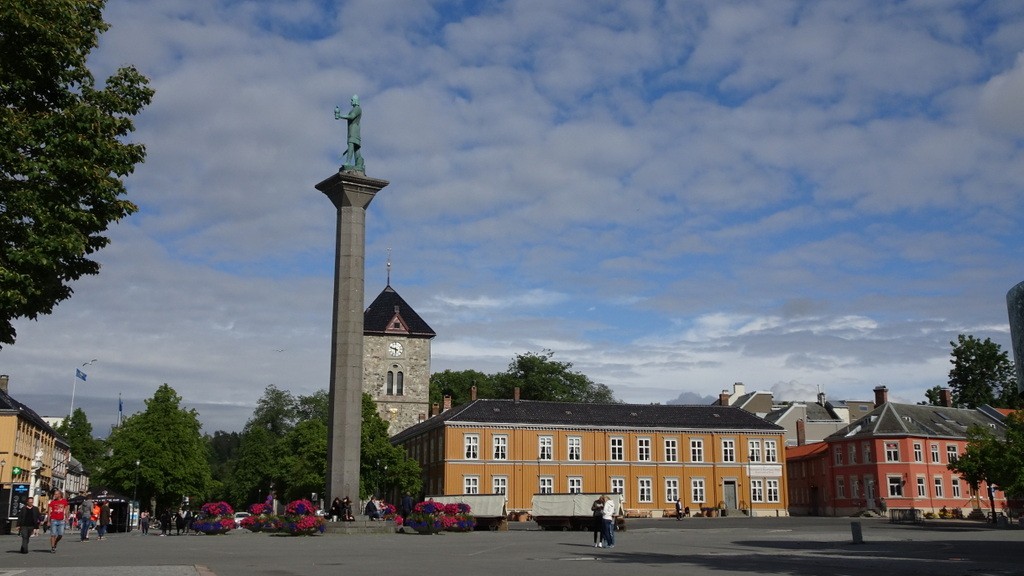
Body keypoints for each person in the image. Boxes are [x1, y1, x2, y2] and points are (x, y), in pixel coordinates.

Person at [334, 94, 363, 171]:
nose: (351, 101)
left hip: (354, 130)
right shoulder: (354, 109)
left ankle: (348, 162)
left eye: (352, 100)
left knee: (351, 145)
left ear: (356, 101)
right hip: (352, 130)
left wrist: (340, 116)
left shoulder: (357, 109)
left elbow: (351, 116)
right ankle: (359, 164)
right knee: (356, 148)